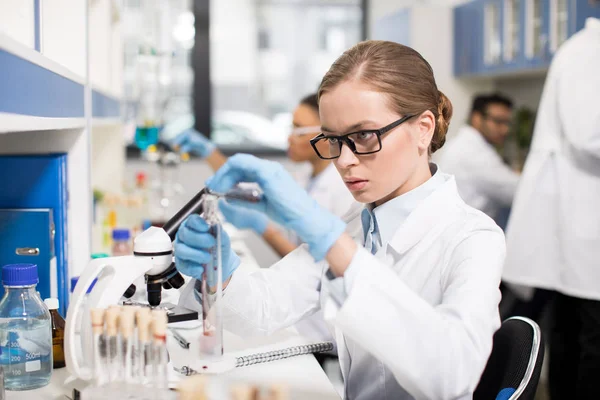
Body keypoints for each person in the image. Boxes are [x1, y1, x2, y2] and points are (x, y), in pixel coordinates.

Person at [175, 40, 505, 399]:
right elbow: (264, 309)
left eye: (363, 135)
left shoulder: (473, 237)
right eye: (333, 140)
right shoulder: (357, 225)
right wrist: (219, 276)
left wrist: (333, 243)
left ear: (423, 128)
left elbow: (452, 373)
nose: (343, 161)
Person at [502, 16, 600, 400]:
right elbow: (588, 133)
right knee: (587, 336)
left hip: (578, 223)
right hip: (581, 223)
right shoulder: (587, 53)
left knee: (574, 331)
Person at [167, 94, 355, 258]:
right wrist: (208, 151)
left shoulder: (343, 189)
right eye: (291, 128)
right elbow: (242, 183)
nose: (289, 138)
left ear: (326, 136)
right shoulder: (306, 175)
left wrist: (264, 228)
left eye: (298, 130)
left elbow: (320, 268)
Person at [435, 93, 519, 223]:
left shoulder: (464, 143)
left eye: (507, 123)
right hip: (463, 232)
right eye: (499, 121)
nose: (505, 130)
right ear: (477, 118)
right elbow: (515, 191)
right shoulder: (474, 153)